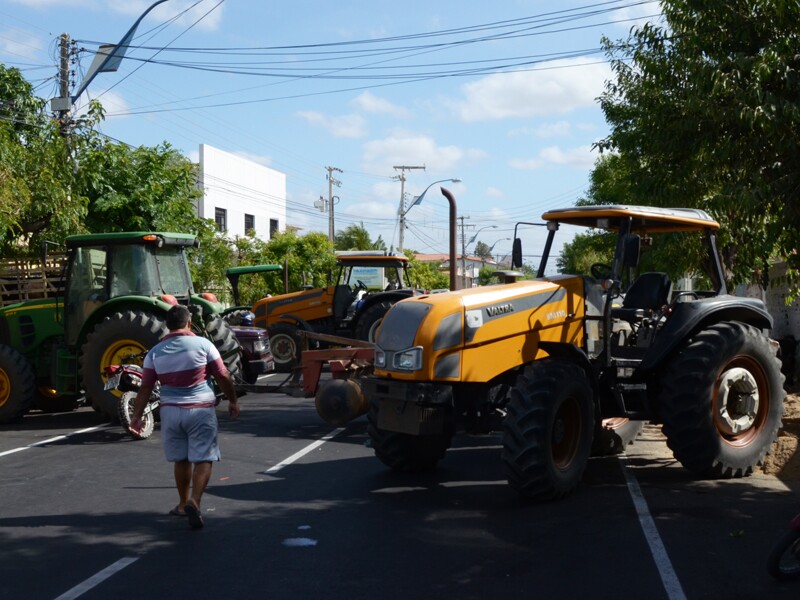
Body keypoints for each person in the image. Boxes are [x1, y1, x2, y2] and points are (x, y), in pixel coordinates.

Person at [129, 304, 239, 530]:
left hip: (170, 412)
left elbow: (145, 388)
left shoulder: (155, 352)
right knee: (204, 458)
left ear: (167, 326)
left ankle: (181, 504)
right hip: (199, 410)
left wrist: (136, 416)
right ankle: (194, 501)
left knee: (181, 458)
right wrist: (233, 400)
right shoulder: (203, 344)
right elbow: (223, 375)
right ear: (189, 323)